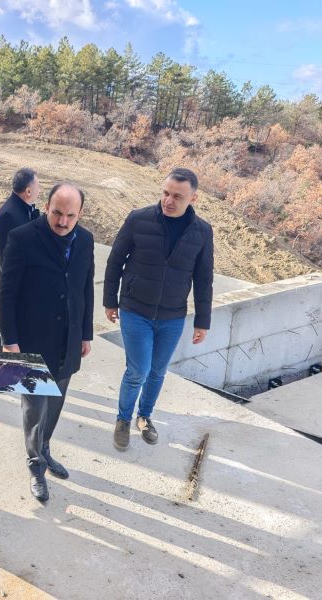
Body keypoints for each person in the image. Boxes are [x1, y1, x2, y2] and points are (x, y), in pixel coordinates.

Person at [102, 167, 213, 450]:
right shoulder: (138, 219)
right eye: (165, 193)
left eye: (177, 196)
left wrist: (203, 321)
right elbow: (115, 261)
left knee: (158, 371)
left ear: (193, 198)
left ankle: (145, 416)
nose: (168, 200)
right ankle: (123, 419)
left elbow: (203, 278)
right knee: (138, 369)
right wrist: (109, 300)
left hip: (172, 316)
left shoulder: (202, 232)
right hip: (135, 310)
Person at [0, 182, 94, 502]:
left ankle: (45, 448)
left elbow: (85, 288)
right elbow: (7, 294)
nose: (62, 222)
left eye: (70, 216)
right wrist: (10, 340)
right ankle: (35, 463)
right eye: (57, 213)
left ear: (80, 214)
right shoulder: (22, 238)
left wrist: (85, 333)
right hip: (32, 342)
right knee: (35, 408)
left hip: (68, 341)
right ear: (47, 207)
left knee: (55, 403)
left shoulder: (86, 240)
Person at [0, 167, 41, 312]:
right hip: (13, 292)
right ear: (28, 191)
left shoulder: (23, 208)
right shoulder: (8, 216)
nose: (40, 190)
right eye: (38, 186)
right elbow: (7, 260)